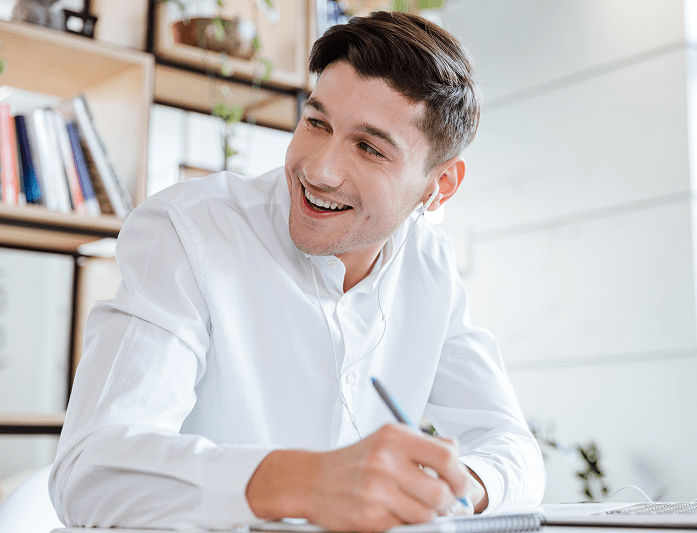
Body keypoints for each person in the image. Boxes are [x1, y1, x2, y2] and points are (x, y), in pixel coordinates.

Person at [49, 11, 545, 532]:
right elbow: (90, 474)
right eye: (317, 123)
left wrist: (452, 485)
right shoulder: (188, 230)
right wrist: (306, 482)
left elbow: (512, 447)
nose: (318, 170)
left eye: (370, 148)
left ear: (439, 185)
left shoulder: (429, 265)